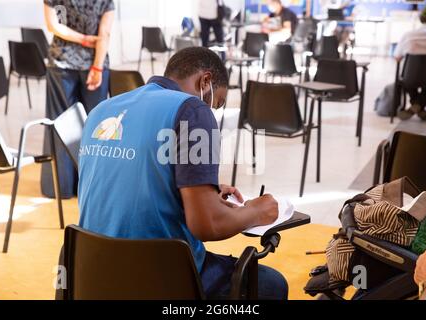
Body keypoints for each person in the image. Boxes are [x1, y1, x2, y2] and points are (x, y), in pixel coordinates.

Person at [77, 47, 288, 299]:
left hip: (91, 271)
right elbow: (207, 224)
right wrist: (257, 211)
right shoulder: (193, 110)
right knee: (271, 285)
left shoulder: (102, 109)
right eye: (217, 103)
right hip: (157, 278)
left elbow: (125, 181)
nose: (213, 110)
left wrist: (200, 188)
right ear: (205, 81)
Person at [41, 0, 114, 199]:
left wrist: (81, 39)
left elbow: (53, 25)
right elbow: (104, 33)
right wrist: (97, 67)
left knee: (60, 123)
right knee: (96, 127)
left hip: (61, 61)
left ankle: (60, 187)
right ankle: (92, 187)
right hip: (95, 62)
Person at [394, 5, 426, 121]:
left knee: (406, 82)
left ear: (421, 18)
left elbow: (397, 57)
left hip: (409, 78)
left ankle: (415, 106)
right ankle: (419, 107)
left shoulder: (408, 35)